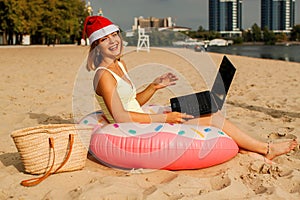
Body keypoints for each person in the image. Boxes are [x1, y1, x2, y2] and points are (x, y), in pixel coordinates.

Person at [83, 16, 297, 161]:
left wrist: (153, 87)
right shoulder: (104, 76)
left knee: (202, 108)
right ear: (96, 46)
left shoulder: (119, 64)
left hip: (141, 117)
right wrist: (165, 119)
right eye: (104, 39)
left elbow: (132, 103)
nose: (112, 41)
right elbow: (120, 117)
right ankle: (267, 149)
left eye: (114, 35)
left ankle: (247, 147)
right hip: (133, 129)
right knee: (215, 118)